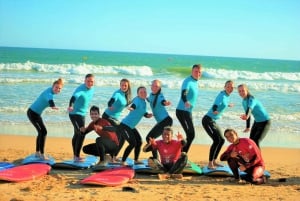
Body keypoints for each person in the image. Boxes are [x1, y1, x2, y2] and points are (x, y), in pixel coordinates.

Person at [27, 78, 64, 160]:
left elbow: (50, 98)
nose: (58, 89)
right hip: (32, 113)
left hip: (36, 114)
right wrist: (53, 105)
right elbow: (50, 99)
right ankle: (42, 154)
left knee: (41, 132)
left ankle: (37, 152)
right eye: (56, 87)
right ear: (52, 86)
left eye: (59, 88)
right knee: (43, 132)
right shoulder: (48, 93)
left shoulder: (50, 91)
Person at [202, 80, 234, 169]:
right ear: (225, 87)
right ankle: (210, 163)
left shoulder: (227, 96)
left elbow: (223, 103)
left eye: (231, 87)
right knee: (216, 140)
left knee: (222, 140)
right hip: (207, 120)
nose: (230, 88)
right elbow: (216, 104)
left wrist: (228, 105)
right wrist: (215, 110)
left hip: (212, 120)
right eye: (228, 86)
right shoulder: (222, 95)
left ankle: (214, 161)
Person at [118, 86, 152, 165]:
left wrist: (148, 115)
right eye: (141, 92)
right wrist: (132, 108)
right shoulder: (137, 99)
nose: (143, 93)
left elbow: (143, 112)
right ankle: (123, 161)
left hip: (131, 126)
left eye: (145, 92)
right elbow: (134, 105)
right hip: (124, 125)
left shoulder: (144, 102)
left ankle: (136, 160)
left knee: (139, 141)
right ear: (138, 94)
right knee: (133, 143)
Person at [102, 78, 132, 160]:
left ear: (128, 86)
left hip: (114, 118)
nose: (124, 86)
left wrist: (129, 107)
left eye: (125, 85)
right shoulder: (117, 93)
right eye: (122, 85)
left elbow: (123, 103)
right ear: (120, 85)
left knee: (120, 136)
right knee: (121, 135)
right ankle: (113, 156)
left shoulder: (125, 94)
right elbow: (112, 99)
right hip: (108, 117)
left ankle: (113, 155)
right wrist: (110, 104)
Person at [68, 74, 95, 162]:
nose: (90, 83)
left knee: (77, 134)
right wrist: (71, 106)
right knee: (81, 133)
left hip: (82, 115)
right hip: (74, 114)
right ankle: (76, 156)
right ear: (84, 81)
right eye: (88, 81)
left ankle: (75, 155)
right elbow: (73, 98)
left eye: (91, 81)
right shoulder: (80, 89)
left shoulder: (92, 89)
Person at [176, 64, 202, 153]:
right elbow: (184, 93)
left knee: (190, 135)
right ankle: (182, 155)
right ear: (192, 71)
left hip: (187, 111)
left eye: (199, 72)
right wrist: (185, 101)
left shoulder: (195, 82)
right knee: (191, 134)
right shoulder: (188, 81)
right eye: (196, 71)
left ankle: (181, 154)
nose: (198, 73)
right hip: (182, 111)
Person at [145, 79, 173, 159]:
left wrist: (165, 103)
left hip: (166, 121)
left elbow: (162, 101)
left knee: (150, 138)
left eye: (157, 86)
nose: (154, 87)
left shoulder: (160, 95)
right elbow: (149, 99)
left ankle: (156, 158)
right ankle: (156, 157)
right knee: (151, 139)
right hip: (162, 122)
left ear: (159, 87)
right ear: (151, 86)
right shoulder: (151, 95)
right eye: (153, 85)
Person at [237, 84, 271, 148]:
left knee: (256, 141)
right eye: (239, 91)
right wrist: (248, 127)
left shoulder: (252, 99)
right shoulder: (243, 101)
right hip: (256, 122)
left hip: (265, 122)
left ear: (247, 90)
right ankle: (253, 157)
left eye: (243, 90)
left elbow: (250, 108)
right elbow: (248, 114)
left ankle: (258, 158)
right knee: (251, 141)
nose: (241, 92)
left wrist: (247, 115)